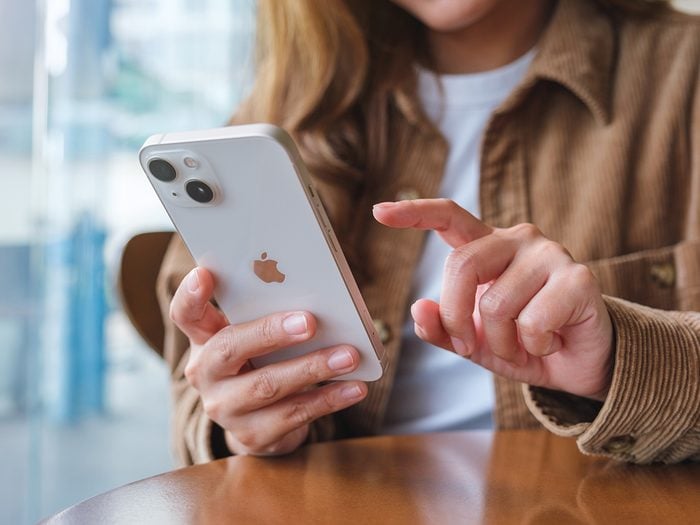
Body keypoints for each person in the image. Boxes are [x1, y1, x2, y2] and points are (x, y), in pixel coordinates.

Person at [155, 0, 700, 465]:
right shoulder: (284, 113)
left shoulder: (683, 77)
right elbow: (194, 390)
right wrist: (245, 424)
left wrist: (620, 361)